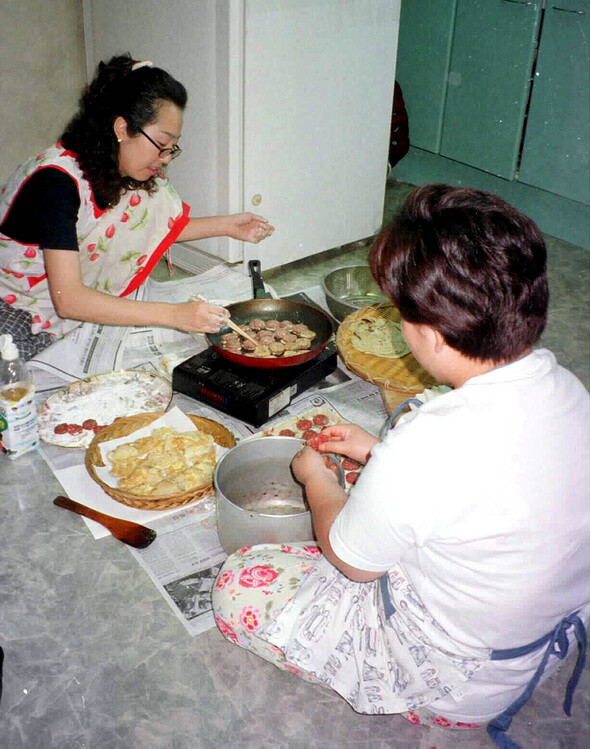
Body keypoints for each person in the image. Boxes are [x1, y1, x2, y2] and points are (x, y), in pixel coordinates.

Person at [212, 185, 589, 746]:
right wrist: (377, 452)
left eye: (400, 313)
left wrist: (316, 478)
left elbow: (352, 561)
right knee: (412, 422)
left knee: (237, 583)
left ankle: (425, 700)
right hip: (532, 639)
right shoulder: (567, 388)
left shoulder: (427, 447)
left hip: (458, 681)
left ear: (431, 335)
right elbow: (487, 477)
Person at [0, 54, 274, 360]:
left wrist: (227, 226)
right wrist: (175, 316)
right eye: (161, 144)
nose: (167, 157)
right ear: (121, 128)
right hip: (16, 307)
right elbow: (69, 301)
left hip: (60, 310)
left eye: (173, 147)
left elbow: (148, 224)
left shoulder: (118, 166)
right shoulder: (56, 183)